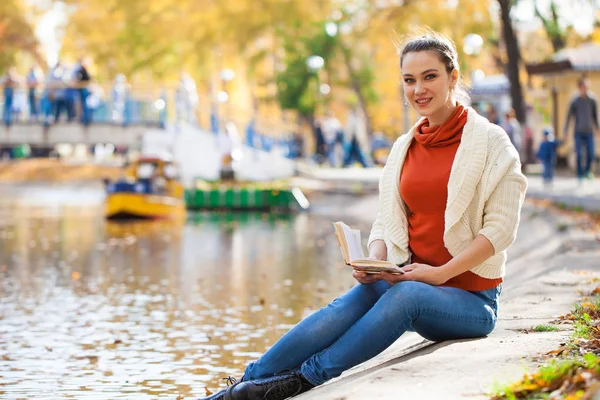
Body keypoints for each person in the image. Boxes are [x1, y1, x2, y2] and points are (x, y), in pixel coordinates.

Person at [198, 31, 527, 400]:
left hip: (471, 302)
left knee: (406, 296)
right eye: (409, 80)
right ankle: (243, 385)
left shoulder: (492, 142)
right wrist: (375, 259)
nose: (419, 88)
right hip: (410, 280)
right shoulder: (404, 147)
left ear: (454, 77)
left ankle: (303, 380)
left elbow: (500, 231)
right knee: (361, 294)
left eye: (430, 76)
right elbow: (388, 221)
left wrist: (439, 274)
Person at [564, 78, 599, 181]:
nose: (586, 89)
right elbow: (569, 117)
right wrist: (565, 131)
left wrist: (598, 129)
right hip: (578, 132)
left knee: (591, 153)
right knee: (579, 154)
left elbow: (595, 117)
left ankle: (587, 171)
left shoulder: (592, 100)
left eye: (587, 87)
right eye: (584, 87)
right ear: (580, 87)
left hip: (589, 132)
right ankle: (579, 173)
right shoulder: (575, 101)